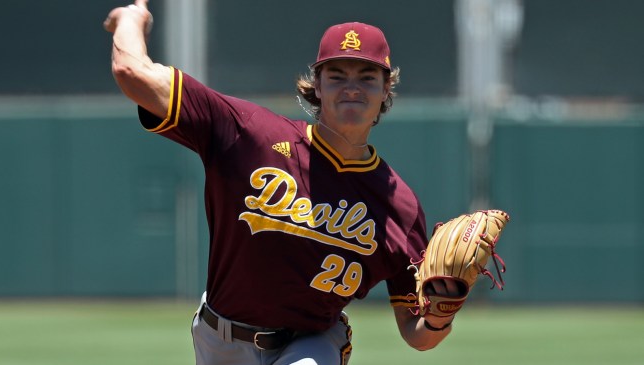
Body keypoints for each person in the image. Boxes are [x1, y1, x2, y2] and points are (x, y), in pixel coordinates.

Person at [104, 1, 456, 363]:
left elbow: (417, 335)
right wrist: (131, 20)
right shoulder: (250, 134)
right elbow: (131, 71)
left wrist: (438, 318)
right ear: (316, 85)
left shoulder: (400, 208)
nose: (352, 87)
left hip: (311, 343)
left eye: (367, 77)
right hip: (218, 339)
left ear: (386, 89)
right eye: (337, 75)